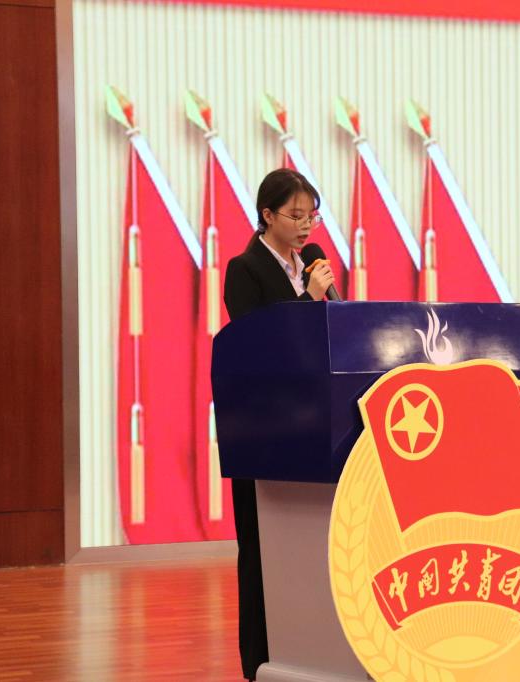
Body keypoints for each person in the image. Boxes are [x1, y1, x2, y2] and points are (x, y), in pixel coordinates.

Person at [222, 168, 336, 681]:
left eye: (312, 215)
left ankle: (309, 650)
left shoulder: (310, 266)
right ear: (267, 215)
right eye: (295, 215)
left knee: (307, 545)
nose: (306, 225)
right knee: (260, 549)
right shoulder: (244, 269)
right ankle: (259, 660)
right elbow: (256, 346)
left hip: (310, 426)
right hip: (262, 429)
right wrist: (308, 299)